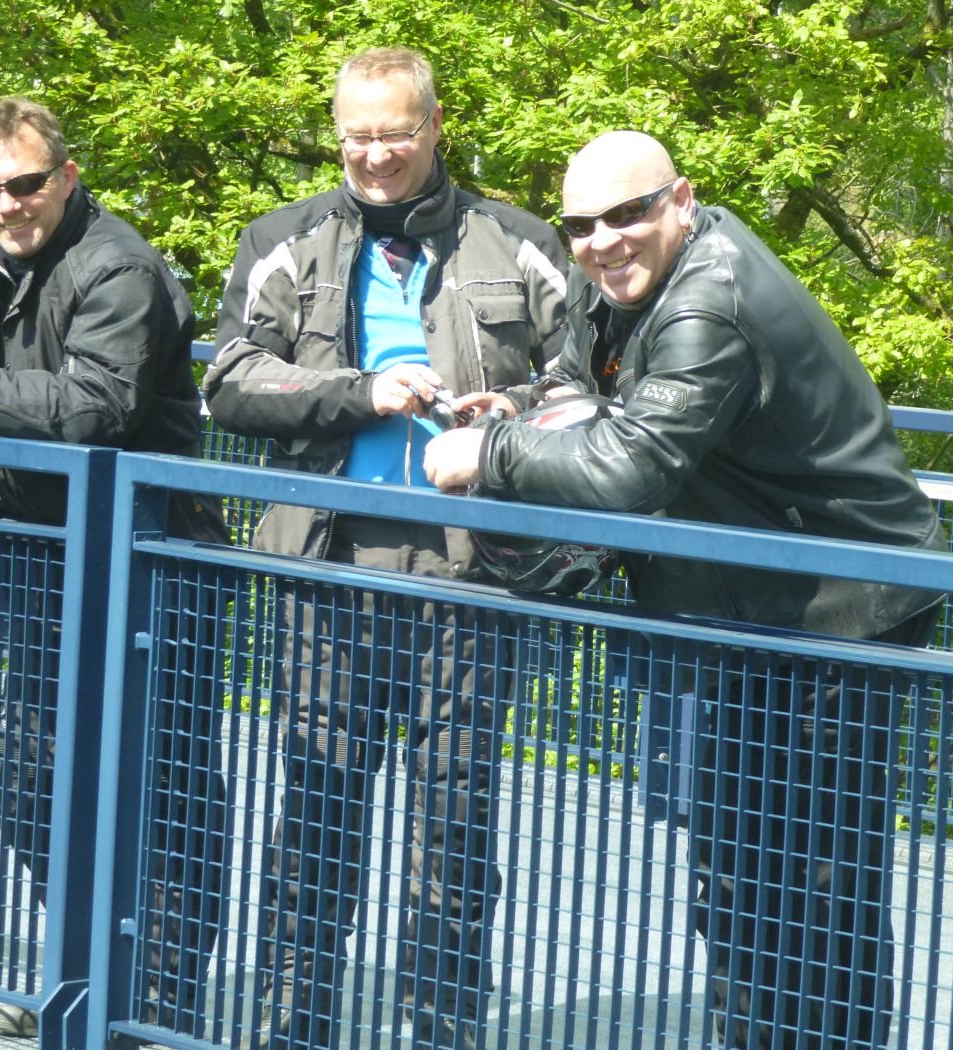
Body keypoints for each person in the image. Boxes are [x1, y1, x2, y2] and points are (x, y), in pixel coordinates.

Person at [424, 130, 949, 1049]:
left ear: (681, 200)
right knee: (738, 870)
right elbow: (583, 380)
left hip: (842, 609)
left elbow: (636, 466)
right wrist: (523, 406)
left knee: (818, 885)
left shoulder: (710, 301)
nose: (602, 241)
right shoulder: (615, 280)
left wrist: (491, 450)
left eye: (627, 214)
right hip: (745, 607)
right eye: (580, 225)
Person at [202, 47, 567, 1050]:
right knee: (316, 805)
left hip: (470, 568)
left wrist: (511, 413)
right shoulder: (283, 241)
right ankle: (290, 1028)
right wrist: (358, 391)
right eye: (357, 136)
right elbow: (229, 381)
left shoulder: (520, 240)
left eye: (396, 133)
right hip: (326, 565)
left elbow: (586, 381)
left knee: (455, 817)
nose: (376, 155)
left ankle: (440, 1030)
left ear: (435, 126)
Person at [0, 97, 230, 1040]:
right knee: (25, 777)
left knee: (165, 787)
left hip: (154, 557)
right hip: (32, 552)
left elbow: (91, 410)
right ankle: (87, 971)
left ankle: (150, 1005)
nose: (5, 205)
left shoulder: (120, 267)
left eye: (24, 183)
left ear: (65, 176)